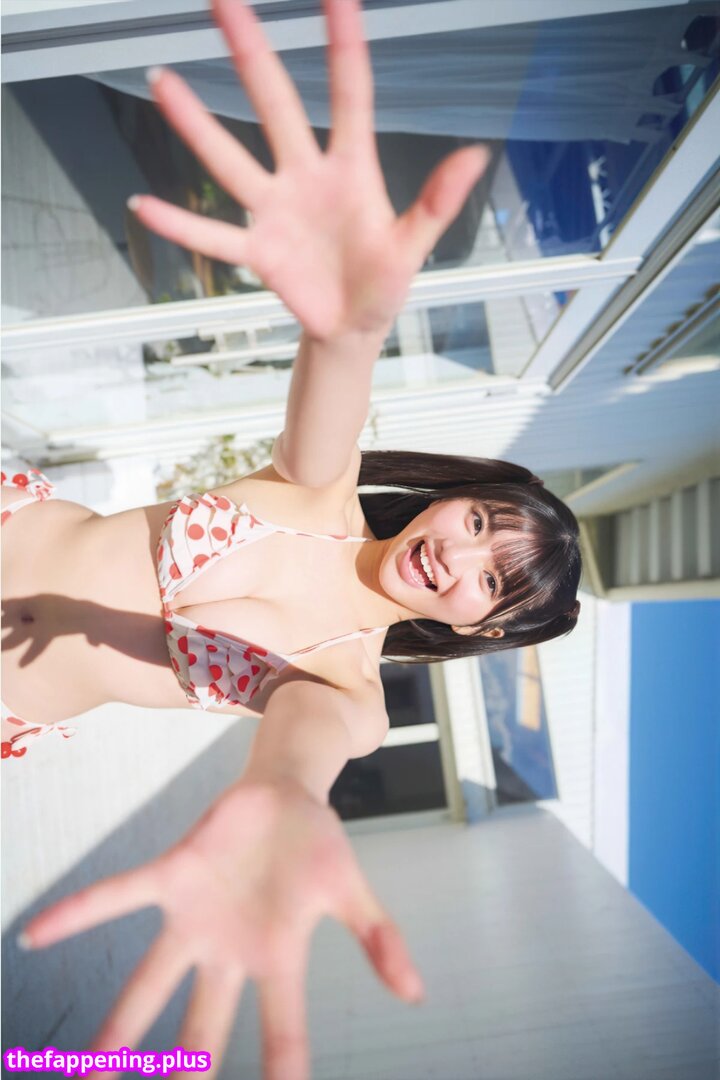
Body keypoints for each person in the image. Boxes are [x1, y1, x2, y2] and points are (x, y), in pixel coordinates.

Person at [1, 1, 581, 1076]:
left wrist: (275, 801)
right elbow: (338, 374)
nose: (457, 556)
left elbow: (299, 752)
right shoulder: (320, 491)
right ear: (454, 497)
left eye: (489, 582)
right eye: (480, 522)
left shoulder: (348, 694)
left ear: (482, 630)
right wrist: (351, 323)